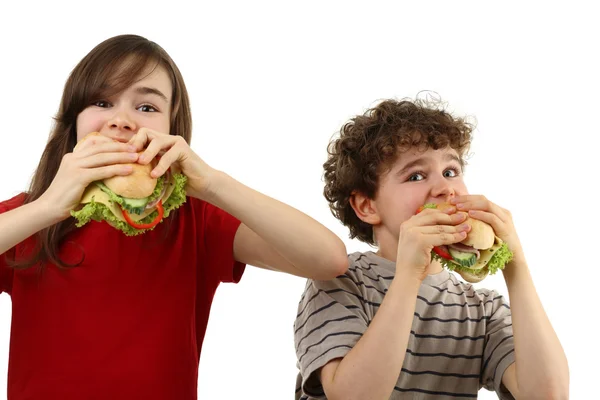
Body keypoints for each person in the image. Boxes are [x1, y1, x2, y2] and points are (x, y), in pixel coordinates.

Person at [0, 34, 348, 400]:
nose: (122, 121)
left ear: (171, 130)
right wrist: (48, 207)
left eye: (146, 107)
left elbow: (328, 259)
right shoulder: (30, 215)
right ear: (74, 122)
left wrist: (213, 184)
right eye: (102, 101)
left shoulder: (194, 218)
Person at [293, 97, 569, 399]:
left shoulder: (483, 309)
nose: (445, 188)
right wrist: (409, 274)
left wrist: (516, 266)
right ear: (366, 205)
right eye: (416, 175)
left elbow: (548, 394)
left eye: (451, 171)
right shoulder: (340, 280)